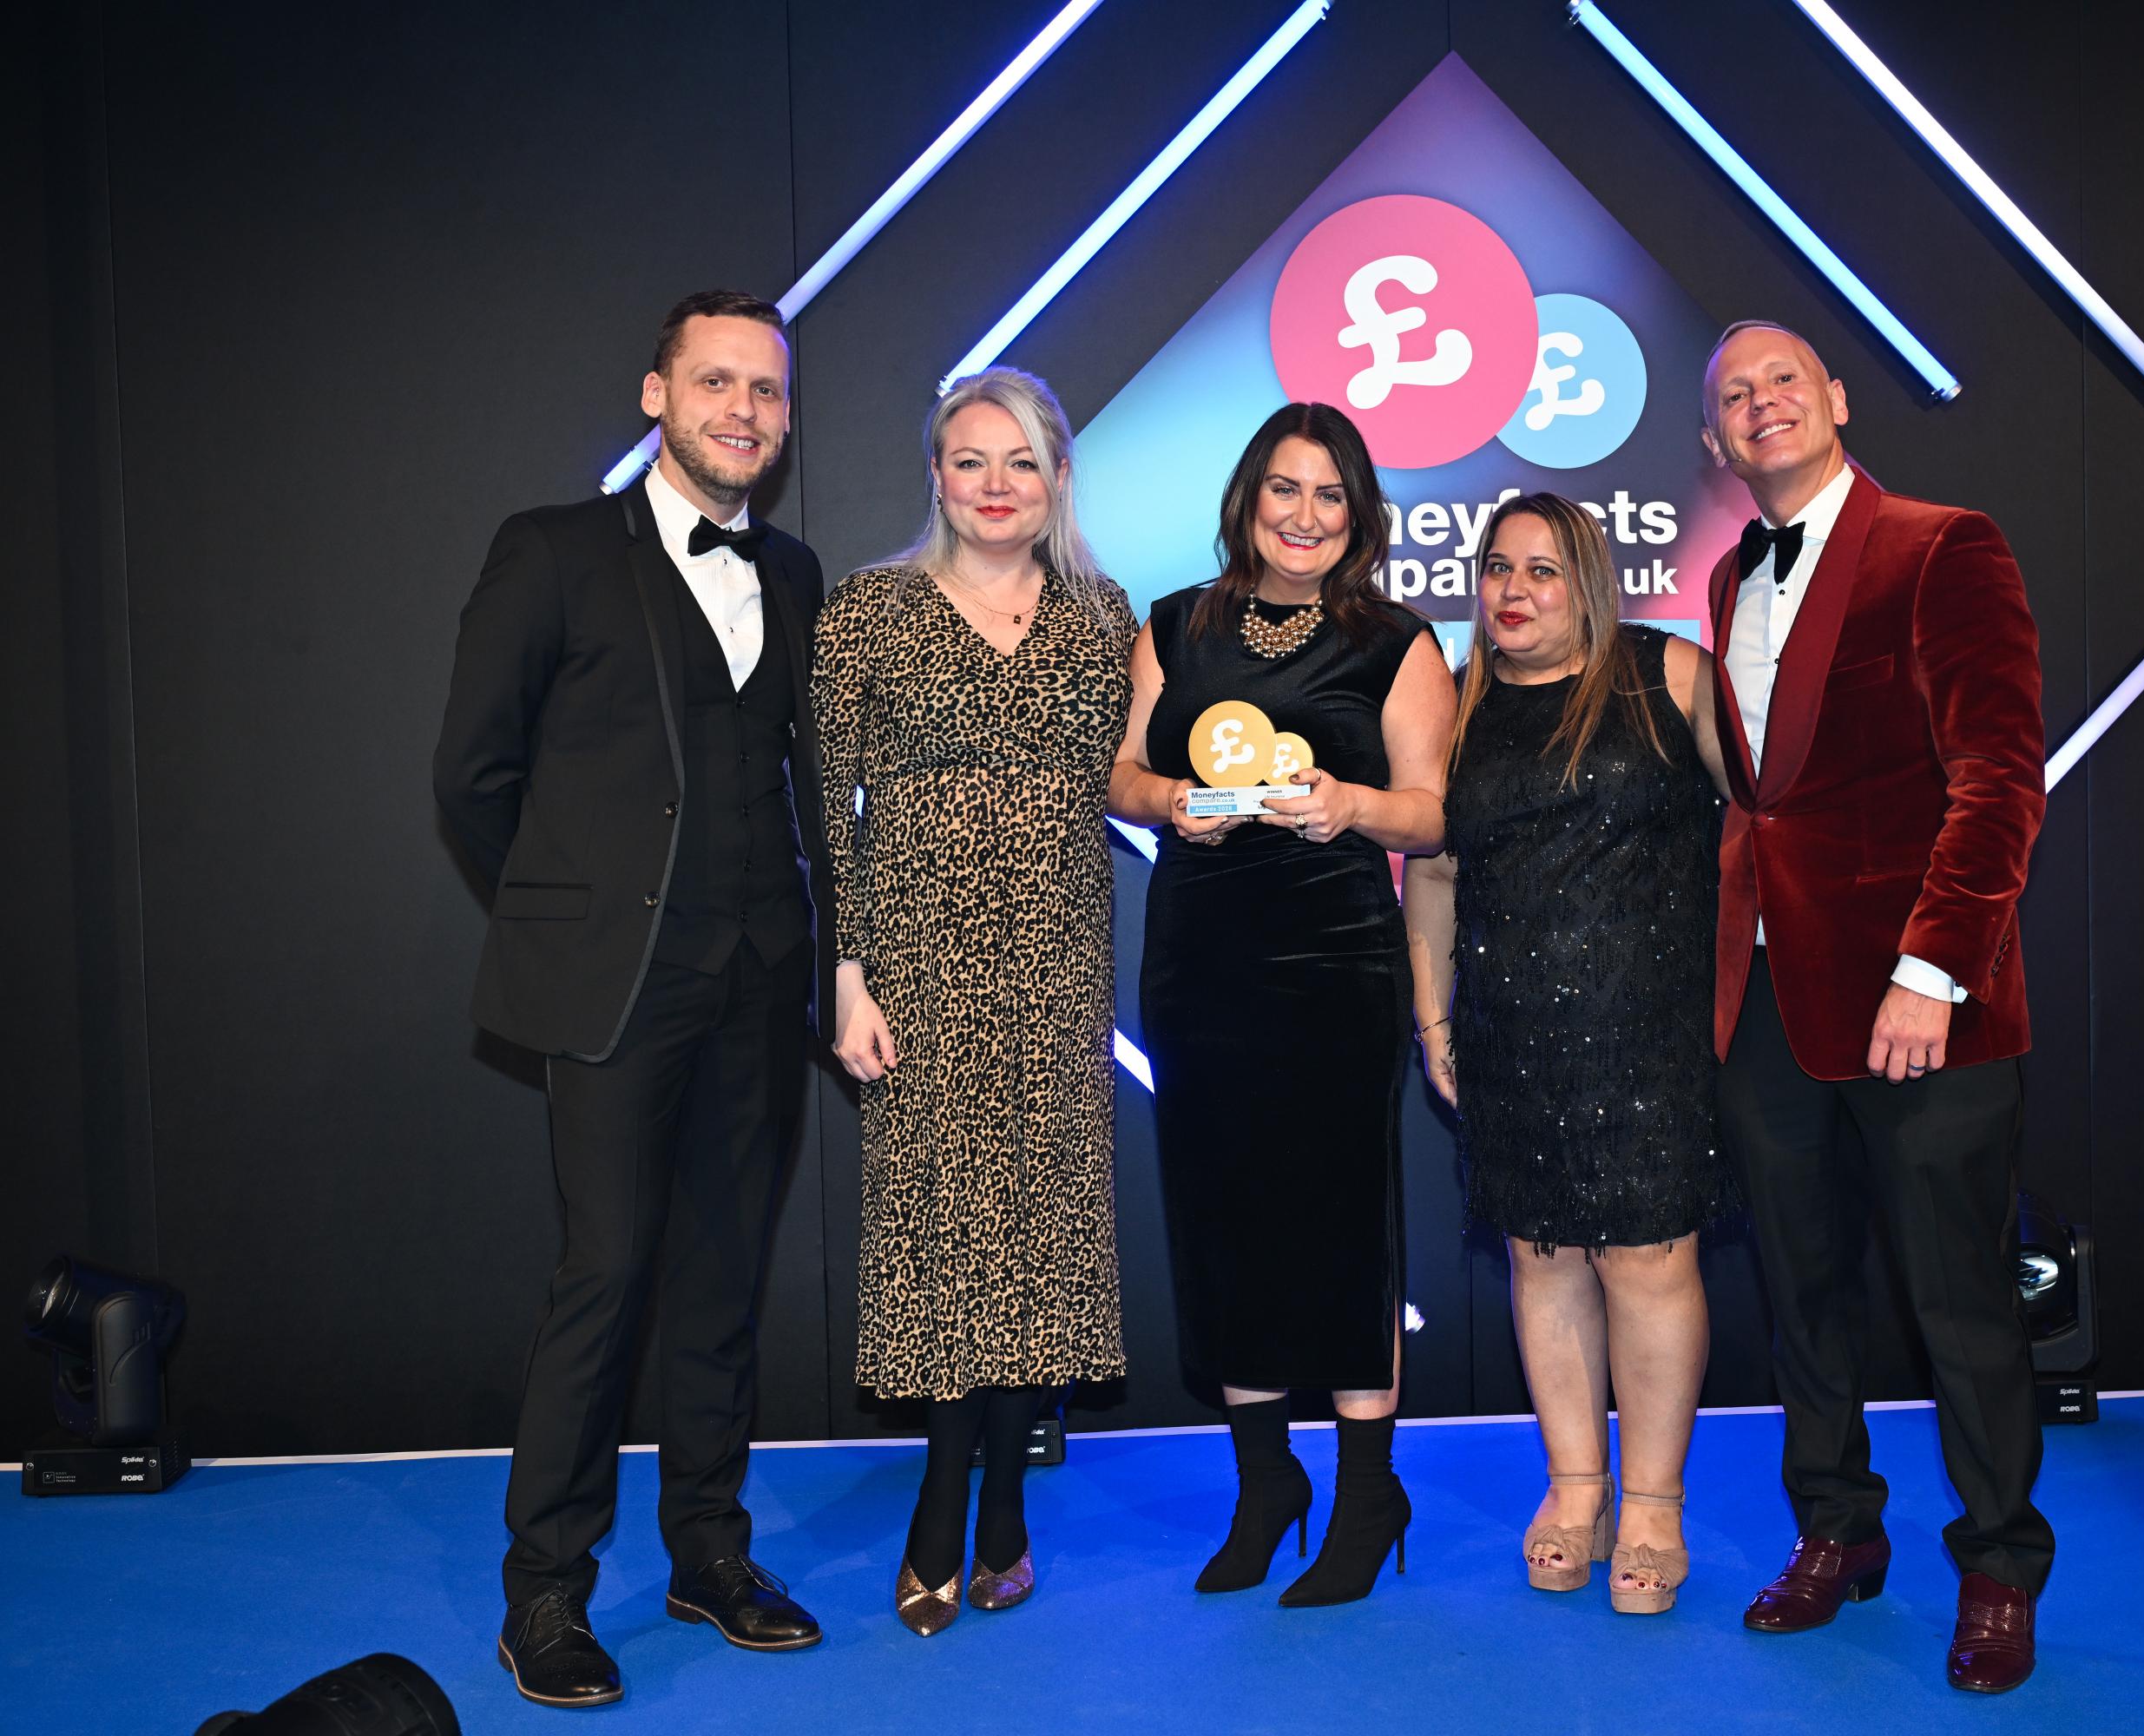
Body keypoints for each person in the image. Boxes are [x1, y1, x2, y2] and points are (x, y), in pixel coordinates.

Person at [433, 290, 830, 1709]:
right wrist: (574, 921)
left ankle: (709, 1554)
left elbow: (800, 784)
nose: (743, 411)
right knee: (605, 1278)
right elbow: (471, 779)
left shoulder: (795, 571)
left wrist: (822, 953)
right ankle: (544, 1592)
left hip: (760, 981)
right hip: (616, 990)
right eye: (715, 382)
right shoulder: (551, 551)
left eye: (765, 390)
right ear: (657, 395)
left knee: (723, 1283)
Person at [1698, 319, 2053, 1693]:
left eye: (1784, 379)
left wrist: (1931, 968)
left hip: (1921, 1005)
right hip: (1770, 1004)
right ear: (1715, 442)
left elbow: (1999, 777)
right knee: (1803, 1295)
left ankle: (2001, 1566)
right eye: (1736, 395)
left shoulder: (1942, 545)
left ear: (1838, 398)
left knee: (1961, 1304)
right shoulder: (1730, 578)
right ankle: (1838, 1532)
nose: (1762, 403)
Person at [1109, 402, 1455, 1607]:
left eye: (1330, 495)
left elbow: (1435, 814)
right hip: (1200, 961)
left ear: (1359, 516)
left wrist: (1349, 806)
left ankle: (1366, 1493)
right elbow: (1123, 772)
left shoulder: (1395, 643)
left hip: (1334, 964)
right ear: (1249, 498)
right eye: (1285, 489)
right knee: (1221, 1216)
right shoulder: (1176, 625)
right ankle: (1266, 1485)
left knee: (1343, 1223)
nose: (1305, 516)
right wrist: (1168, 804)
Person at [811, 366, 1135, 1637]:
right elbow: (826, 813)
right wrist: (846, 974)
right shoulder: (869, 612)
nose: (997, 485)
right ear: (936, 476)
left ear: (1057, 478)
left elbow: (1144, 776)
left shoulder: (1103, 619)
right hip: (920, 970)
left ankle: (1005, 1505)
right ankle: (944, 1500)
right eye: (970, 460)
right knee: (947, 1237)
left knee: (1039, 1236)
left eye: (1021, 461)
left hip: (1056, 964)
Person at [1401, 494, 1729, 1615]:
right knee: (1542, 1261)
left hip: (1654, 1033)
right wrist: (1434, 1019)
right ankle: (1576, 1488)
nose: (1514, 590)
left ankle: (1654, 1509)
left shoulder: (1669, 676)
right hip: (1513, 1034)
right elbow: (1433, 875)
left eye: (1542, 569)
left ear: (1588, 577)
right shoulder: (1458, 706)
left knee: (1647, 1264)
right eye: (1498, 568)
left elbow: (1768, 821)